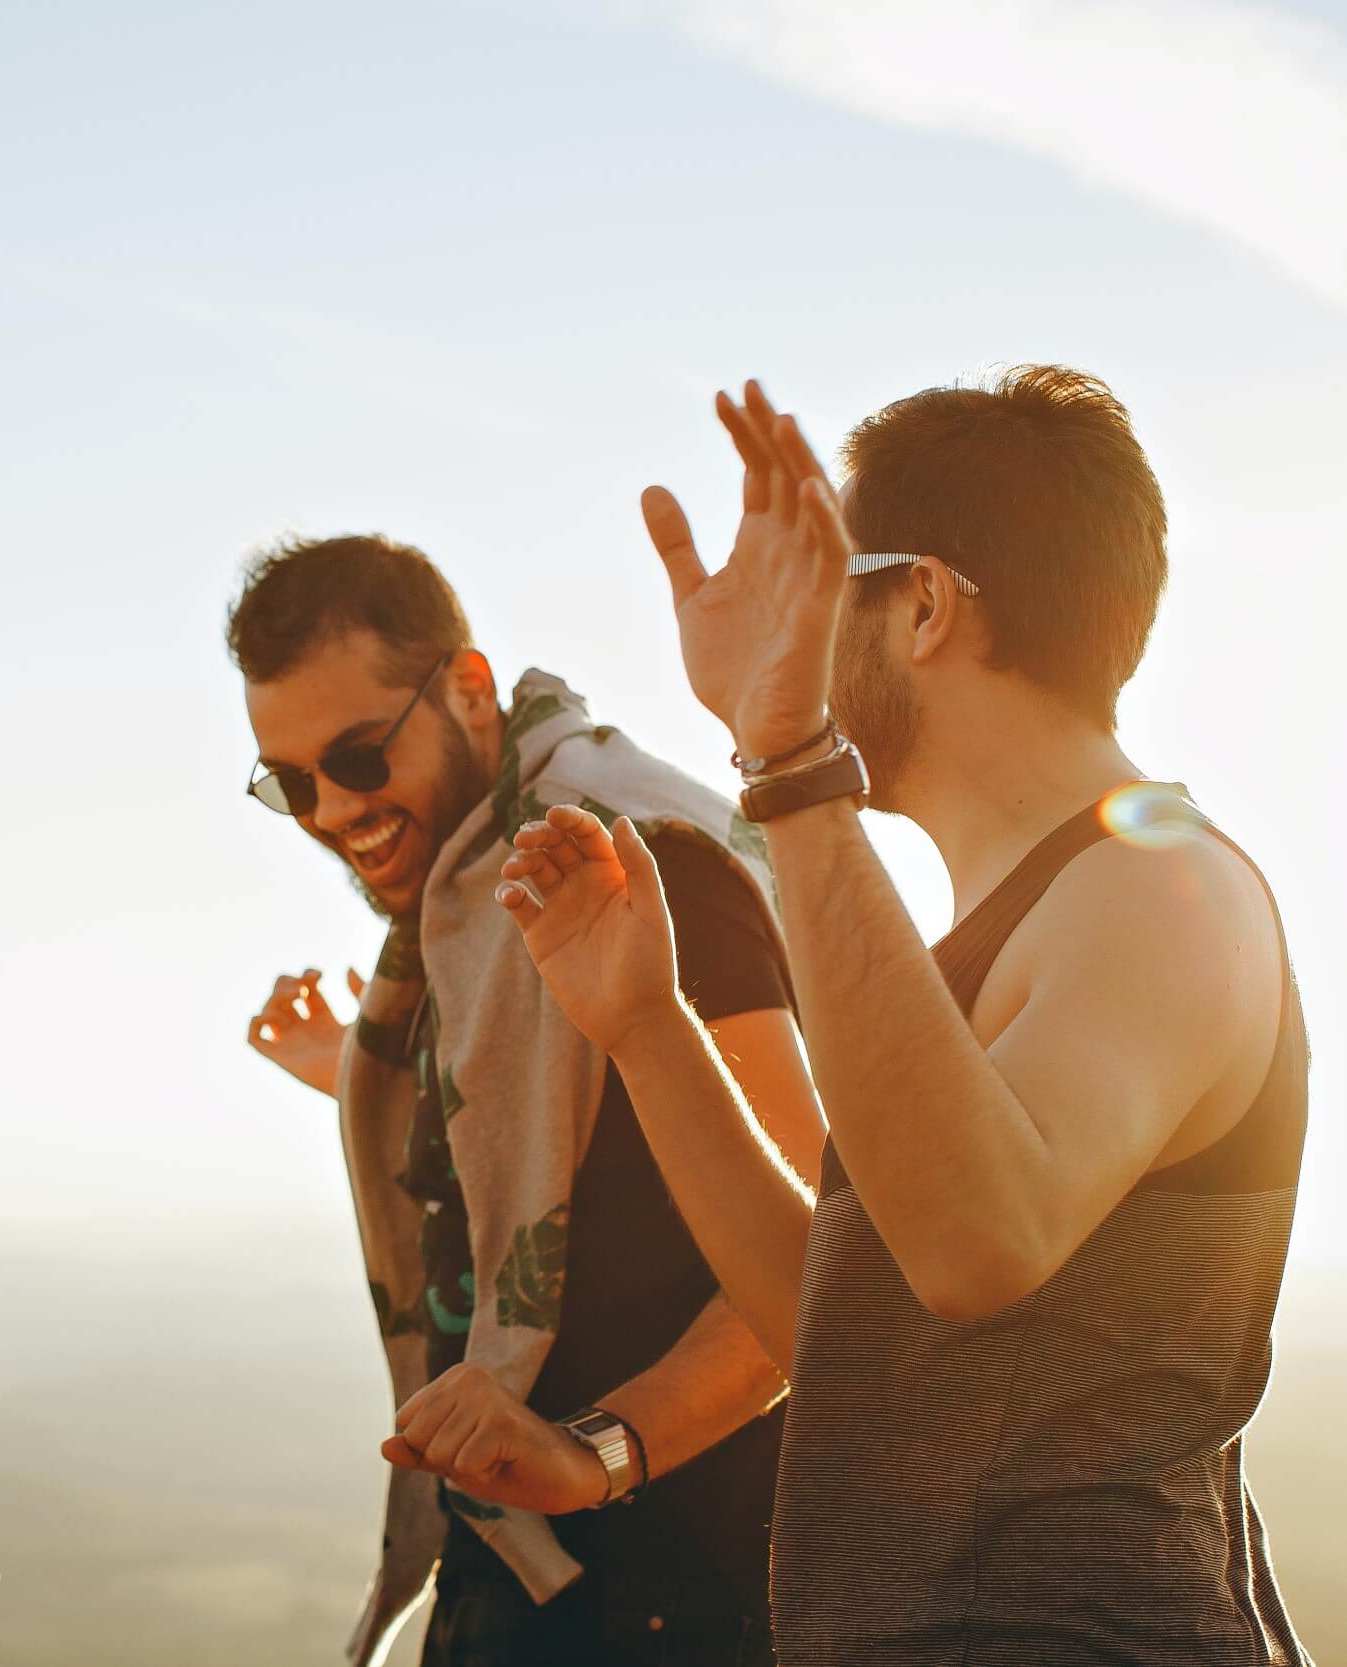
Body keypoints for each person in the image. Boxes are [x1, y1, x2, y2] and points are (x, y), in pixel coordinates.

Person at [413, 368, 1309, 1663]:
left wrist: (784, 760)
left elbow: (974, 1243)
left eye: (822, 590)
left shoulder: (1161, 883)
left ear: (926, 603)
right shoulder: (1001, 925)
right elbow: (845, 1334)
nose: (799, 634)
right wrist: (647, 1029)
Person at [233, 536, 822, 1667]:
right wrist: (366, 1071)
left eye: (356, 756)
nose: (328, 810)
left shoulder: (637, 863)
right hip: (518, 1575)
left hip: (680, 1591)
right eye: (289, 781)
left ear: (465, 687)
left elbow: (809, 1262)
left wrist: (595, 1452)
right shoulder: (463, 910)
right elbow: (564, 1152)